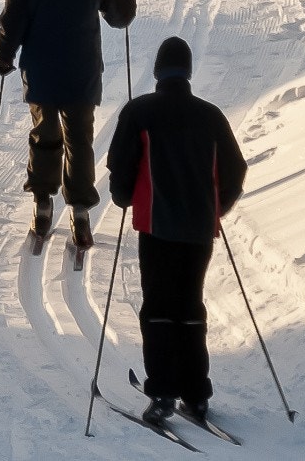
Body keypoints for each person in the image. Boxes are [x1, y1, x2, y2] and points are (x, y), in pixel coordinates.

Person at [105, 36, 248, 426]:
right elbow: (236, 172)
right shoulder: (212, 115)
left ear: (157, 71)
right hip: (200, 231)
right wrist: (216, 208)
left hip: (156, 225)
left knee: (158, 310)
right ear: (187, 72)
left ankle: (163, 395)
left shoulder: (140, 111)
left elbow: (120, 163)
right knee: (190, 308)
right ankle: (196, 396)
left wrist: (121, 197)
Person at [0, 0, 136, 245]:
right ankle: (81, 212)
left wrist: (3, 57)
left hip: (40, 73)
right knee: (79, 141)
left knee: (45, 135)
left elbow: (11, 22)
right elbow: (120, 16)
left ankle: (43, 206)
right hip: (81, 75)